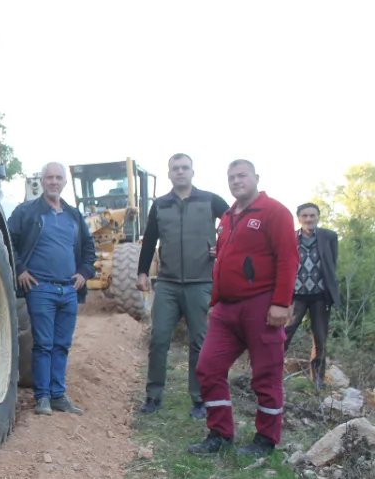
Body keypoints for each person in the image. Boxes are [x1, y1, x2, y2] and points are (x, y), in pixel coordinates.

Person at [188, 159, 299, 457]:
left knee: (266, 374)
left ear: (256, 178)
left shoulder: (274, 212)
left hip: (262, 304)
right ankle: (220, 434)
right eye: (231, 177)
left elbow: (288, 259)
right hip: (226, 308)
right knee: (208, 368)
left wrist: (281, 303)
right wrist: (215, 303)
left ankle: (266, 440)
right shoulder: (226, 217)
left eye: (242, 176)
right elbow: (224, 259)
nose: (236, 181)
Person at [136, 153, 229, 419]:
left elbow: (235, 223)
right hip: (167, 283)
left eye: (184, 168)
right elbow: (150, 239)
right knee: (159, 339)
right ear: (169, 174)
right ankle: (153, 396)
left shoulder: (210, 200)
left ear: (192, 172)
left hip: (201, 282)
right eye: (175, 168)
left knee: (200, 342)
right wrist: (142, 271)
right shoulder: (161, 205)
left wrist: (221, 247)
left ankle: (200, 399)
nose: (180, 172)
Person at [7, 162, 97, 416]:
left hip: (68, 290)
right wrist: (20, 270)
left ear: (64, 182)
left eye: (58, 178)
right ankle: (43, 397)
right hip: (40, 289)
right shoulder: (27, 212)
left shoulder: (73, 215)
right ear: (42, 181)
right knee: (44, 344)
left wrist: (84, 272)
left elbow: (89, 250)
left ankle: (58, 395)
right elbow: (8, 241)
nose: (54, 182)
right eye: (49, 177)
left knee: (62, 345)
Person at [284, 202, 339, 390]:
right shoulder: (290, 238)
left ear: (318, 217)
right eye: (305, 216)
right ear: (298, 218)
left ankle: (317, 381)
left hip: (320, 296)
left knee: (320, 338)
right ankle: (271, 372)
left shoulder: (329, 237)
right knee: (284, 333)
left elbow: (332, 263)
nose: (308, 219)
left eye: (312, 215)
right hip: (296, 295)